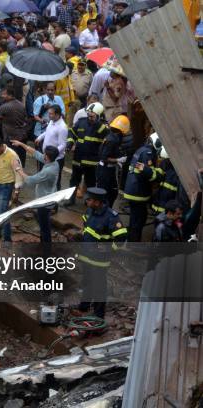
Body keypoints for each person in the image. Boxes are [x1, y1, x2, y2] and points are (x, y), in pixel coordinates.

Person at [78, 187, 127, 318]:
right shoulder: (89, 211)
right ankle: (84, 306)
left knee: (99, 286)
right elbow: (85, 225)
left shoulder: (111, 217)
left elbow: (121, 238)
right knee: (87, 281)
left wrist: (109, 249)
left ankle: (99, 314)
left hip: (99, 260)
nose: (86, 201)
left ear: (98, 202)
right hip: (86, 256)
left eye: (89, 199)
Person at [11, 142, 60, 243]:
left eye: (45, 154)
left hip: (45, 202)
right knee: (43, 222)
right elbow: (36, 154)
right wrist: (21, 144)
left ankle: (46, 248)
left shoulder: (49, 171)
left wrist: (18, 169)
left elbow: (30, 180)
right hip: (47, 198)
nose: (43, 154)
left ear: (47, 156)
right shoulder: (54, 162)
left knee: (44, 226)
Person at [66, 102, 109, 205]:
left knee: (91, 183)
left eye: (92, 116)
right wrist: (70, 143)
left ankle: (89, 202)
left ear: (99, 116)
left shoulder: (102, 128)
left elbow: (109, 140)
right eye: (88, 115)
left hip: (91, 162)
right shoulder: (81, 122)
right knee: (74, 181)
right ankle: (71, 199)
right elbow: (72, 132)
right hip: (78, 159)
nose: (90, 118)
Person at [124, 133, 162, 242]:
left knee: (137, 217)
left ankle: (131, 238)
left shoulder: (142, 149)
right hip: (138, 193)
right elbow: (149, 174)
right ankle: (133, 243)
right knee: (139, 219)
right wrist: (159, 175)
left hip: (133, 190)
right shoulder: (148, 153)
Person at [0, 138, 21, 242]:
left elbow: (18, 172)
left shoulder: (13, 155)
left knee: (3, 213)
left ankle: (7, 239)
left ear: (2, 146)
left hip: (5, 187)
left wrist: (16, 190)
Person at [97, 115, 129, 208]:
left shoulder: (112, 136)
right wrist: (117, 160)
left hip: (107, 170)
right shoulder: (112, 140)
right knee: (107, 194)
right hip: (105, 171)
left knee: (112, 192)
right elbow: (104, 157)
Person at [35, 104, 68, 190]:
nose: (49, 115)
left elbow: (63, 145)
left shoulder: (62, 127)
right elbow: (47, 132)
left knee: (55, 181)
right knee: (44, 178)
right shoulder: (51, 121)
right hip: (46, 156)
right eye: (49, 113)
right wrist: (39, 137)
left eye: (51, 114)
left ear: (57, 115)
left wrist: (52, 154)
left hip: (55, 159)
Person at [0, 87, 29, 166]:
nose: (2, 96)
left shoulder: (5, 107)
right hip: (22, 135)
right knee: (20, 159)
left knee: (11, 159)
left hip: (10, 137)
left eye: (4, 94)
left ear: (10, 95)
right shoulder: (21, 104)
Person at [33, 83, 65, 151]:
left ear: (55, 90)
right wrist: (43, 121)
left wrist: (51, 108)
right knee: (41, 154)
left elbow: (63, 115)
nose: (50, 92)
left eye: (52, 90)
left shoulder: (59, 99)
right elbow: (35, 116)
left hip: (55, 131)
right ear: (45, 90)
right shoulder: (40, 100)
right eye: (48, 90)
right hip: (40, 131)